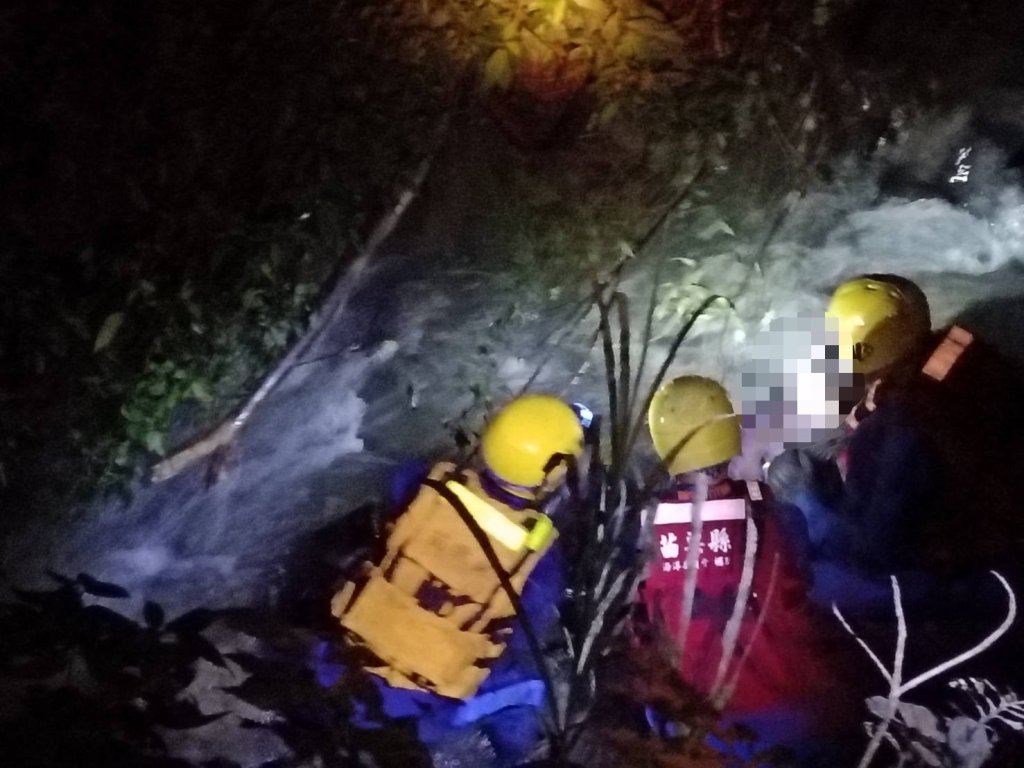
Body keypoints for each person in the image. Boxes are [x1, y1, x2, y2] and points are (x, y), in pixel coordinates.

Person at [329, 393, 586, 765]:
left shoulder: (421, 481)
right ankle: (512, 760)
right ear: (555, 476)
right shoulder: (541, 560)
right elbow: (527, 631)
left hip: (344, 665)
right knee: (531, 687)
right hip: (415, 710)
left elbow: (400, 501)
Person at [638, 375, 859, 762]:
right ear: (730, 435)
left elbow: (645, 623)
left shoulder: (648, 534)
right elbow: (800, 584)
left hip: (698, 726)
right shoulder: (777, 516)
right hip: (793, 715)